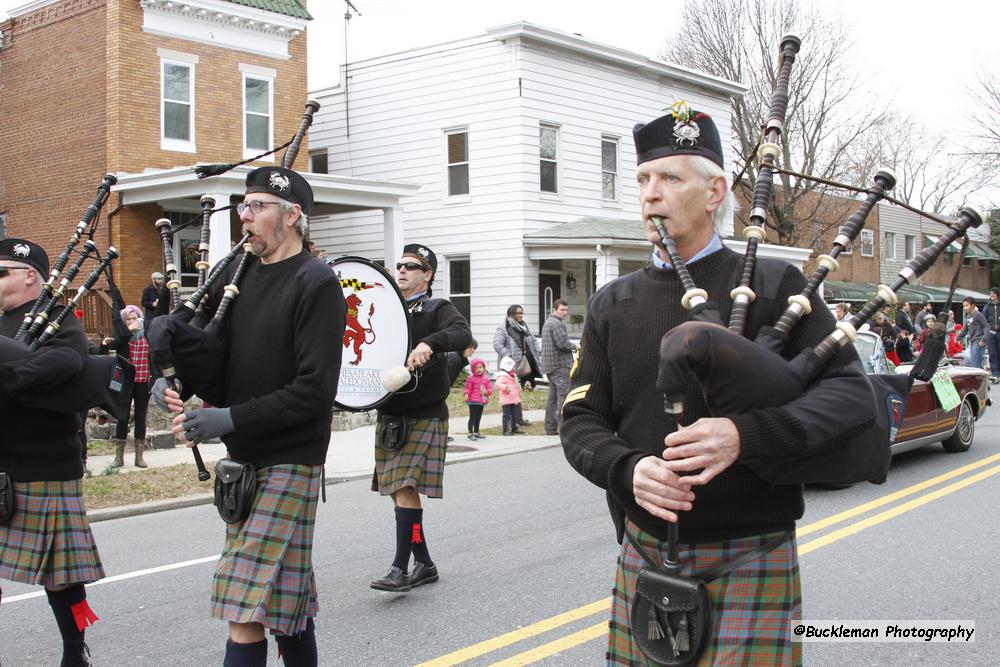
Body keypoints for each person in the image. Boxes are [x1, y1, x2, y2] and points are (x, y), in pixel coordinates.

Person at [560, 105, 874, 665]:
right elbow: (580, 419)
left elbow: (850, 395)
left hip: (752, 550)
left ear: (714, 193)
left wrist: (743, 435)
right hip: (648, 552)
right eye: (642, 180)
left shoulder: (776, 284)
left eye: (669, 178)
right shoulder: (612, 303)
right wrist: (626, 469)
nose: (649, 194)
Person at [154, 166, 346, 667]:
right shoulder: (236, 274)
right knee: (284, 603)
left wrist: (228, 420)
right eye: (243, 206)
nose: (245, 217)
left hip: (291, 458)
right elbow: (215, 356)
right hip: (245, 461)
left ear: (292, 215)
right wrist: (175, 380)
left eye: (257, 207)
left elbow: (314, 391)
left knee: (243, 605)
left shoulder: (316, 281)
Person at [0, 238, 105, 666]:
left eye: (1, 271)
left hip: (44, 467)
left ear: (30, 276)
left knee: (62, 579)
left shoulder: (60, 321)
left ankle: (74, 648)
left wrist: (10, 373)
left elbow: (60, 366)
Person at [369, 243, 470, 593]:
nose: (401, 271)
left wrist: (431, 342)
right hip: (391, 414)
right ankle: (424, 562)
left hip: (425, 414)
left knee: (405, 487)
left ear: (427, 275)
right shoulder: (388, 309)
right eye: (399, 265)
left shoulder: (437, 308)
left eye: (411, 267)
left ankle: (400, 567)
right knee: (400, 495)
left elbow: (462, 334)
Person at [101, 305, 153, 468]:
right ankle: (119, 457)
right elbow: (112, 345)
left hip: (143, 380)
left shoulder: (147, 334)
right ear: (124, 322)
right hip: (126, 381)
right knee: (122, 416)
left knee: (140, 416)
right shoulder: (123, 336)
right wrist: (127, 331)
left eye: (135, 318)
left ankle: (139, 457)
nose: (132, 321)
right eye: (128, 319)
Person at [493, 304, 541, 426]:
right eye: (517, 313)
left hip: (523, 364)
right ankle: (510, 421)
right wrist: (508, 357)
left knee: (518, 393)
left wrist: (538, 350)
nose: (520, 315)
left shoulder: (524, 326)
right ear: (511, 314)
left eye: (521, 313)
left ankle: (519, 419)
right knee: (510, 394)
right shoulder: (504, 328)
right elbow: (497, 344)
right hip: (510, 367)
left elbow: (532, 340)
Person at [540, 299, 577, 435]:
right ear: (555, 310)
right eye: (562, 310)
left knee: (553, 398)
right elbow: (562, 343)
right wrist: (576, 346)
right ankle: (564, 428)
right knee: (563, 396)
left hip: (550, 366)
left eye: (566, 310)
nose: (565, 312)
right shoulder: (556, 323)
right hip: (560, 365)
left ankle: (550, 428)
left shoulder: (549, 322)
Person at [462, 357, 492, 439]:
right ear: (472, 369)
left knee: (478, 417)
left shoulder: (486, 379)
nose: (479, 370)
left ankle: (476, 432)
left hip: (481, 401)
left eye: (480, 367)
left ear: (484, 368)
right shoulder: (470, 379)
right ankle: (470, 432)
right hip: (473, 401)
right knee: (473, 417)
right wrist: (466, 394)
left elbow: (490, 389)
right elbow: (467, 388)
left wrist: (486, 392)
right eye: (476, 368)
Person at [495, 356, 523, 435]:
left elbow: (515, 386)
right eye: (513, 366)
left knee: (514, 414)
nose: (514, 368)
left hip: (513, 399)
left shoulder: (512, 376)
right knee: (506, 415)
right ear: (508, 367)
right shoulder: (503, 376)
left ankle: (514, 427)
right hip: (506, 399)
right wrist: (505, 387)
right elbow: (497, 384)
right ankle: (505, 429)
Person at [959, 297, 988, 370]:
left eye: (967, 305)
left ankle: (977, 379)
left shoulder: (978, 315)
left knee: (975, 363)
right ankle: (980, 378)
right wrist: (957, 338)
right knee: (974, 362)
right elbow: (965, 329)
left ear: (972, 306)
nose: (964, 308)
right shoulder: (968, 316)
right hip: (972, 341)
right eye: (964, 306)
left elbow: (987, 327)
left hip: (979, 341)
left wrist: (983, 339)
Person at [981, 288, 1000, 381]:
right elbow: (983, 320)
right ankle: (995, 373)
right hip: (991, 333)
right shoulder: (987, 306)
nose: (991, 295)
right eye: (990, 293)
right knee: (992, 354)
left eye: (993, 293)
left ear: (997, 295)